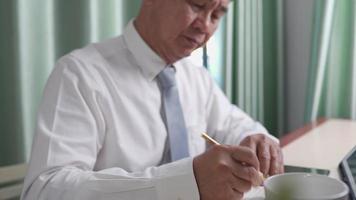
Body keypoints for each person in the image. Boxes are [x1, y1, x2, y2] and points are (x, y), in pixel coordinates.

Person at [21, 0, 284, 199]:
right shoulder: (79, 75)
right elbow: (44, 190)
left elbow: (235, 124)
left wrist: (260, 142)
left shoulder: (196, 77)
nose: (205, 26)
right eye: (196, 5)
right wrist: (185, 183)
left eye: (216, 15)